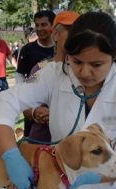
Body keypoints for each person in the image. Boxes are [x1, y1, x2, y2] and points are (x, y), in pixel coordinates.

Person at [0, 12, 116, 189]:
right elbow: (4, 102)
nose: (84, 72)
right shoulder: (55, 74)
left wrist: (82, 177)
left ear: (115, 55)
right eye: (77, 61)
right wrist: (11, 157)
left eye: (97, 64)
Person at [27, 10, 79, 143]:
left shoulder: (89, 71)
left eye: (79, 30)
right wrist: (35, 111)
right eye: (69, 29)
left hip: (76, 148)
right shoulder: (40, 69)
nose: (77, 35)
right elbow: (25, 107)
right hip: (43, 146)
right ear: (55, 34)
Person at [16, 10, 55, 138]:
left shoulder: (61, 49)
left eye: (44, 25)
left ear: (53, 25)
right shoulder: (27, 50)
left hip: (57, 107)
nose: (39, 29)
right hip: (34, 109)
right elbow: (20, 77)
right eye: (37, 25)